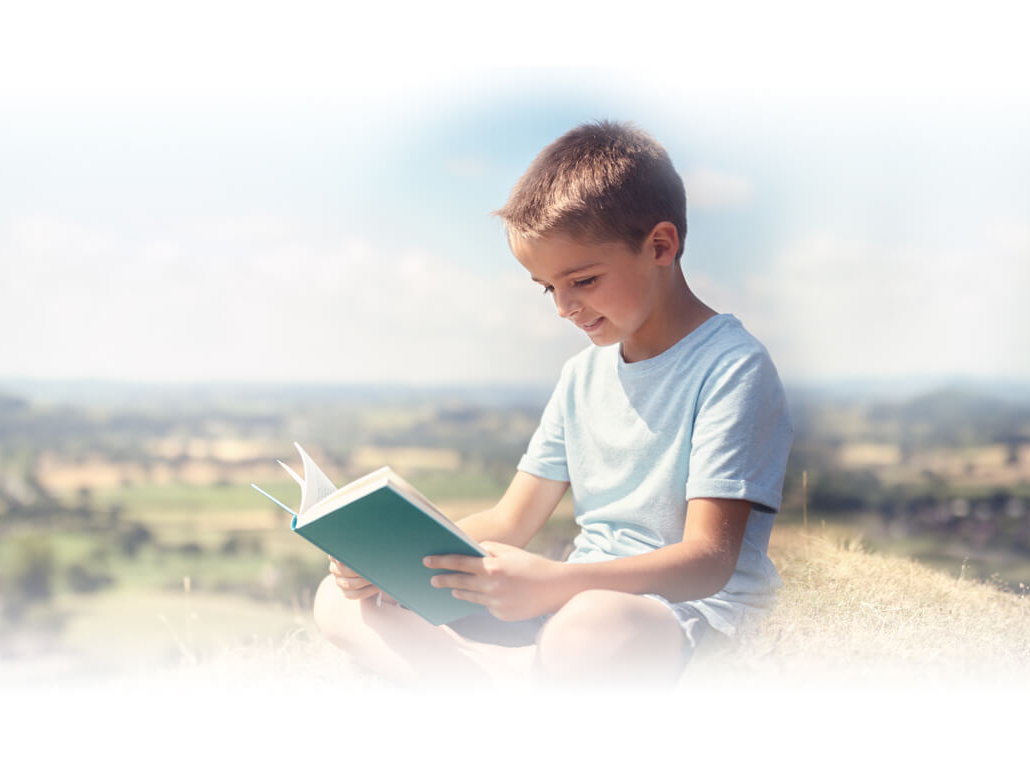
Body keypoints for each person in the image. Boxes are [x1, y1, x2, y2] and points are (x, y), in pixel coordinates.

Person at [313, 119, 792, 688]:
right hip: (568, 598)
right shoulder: (581, 375)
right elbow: (510, 520)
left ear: (661, 245)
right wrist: (393, 562)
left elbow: (706, 563)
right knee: (337, 602)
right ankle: (497, 688)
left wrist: (553, 584)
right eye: (548, 288)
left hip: (674, 614)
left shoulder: (732, 367)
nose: (563, 307)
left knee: (588, 628)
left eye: (583, 280)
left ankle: (477, 681)